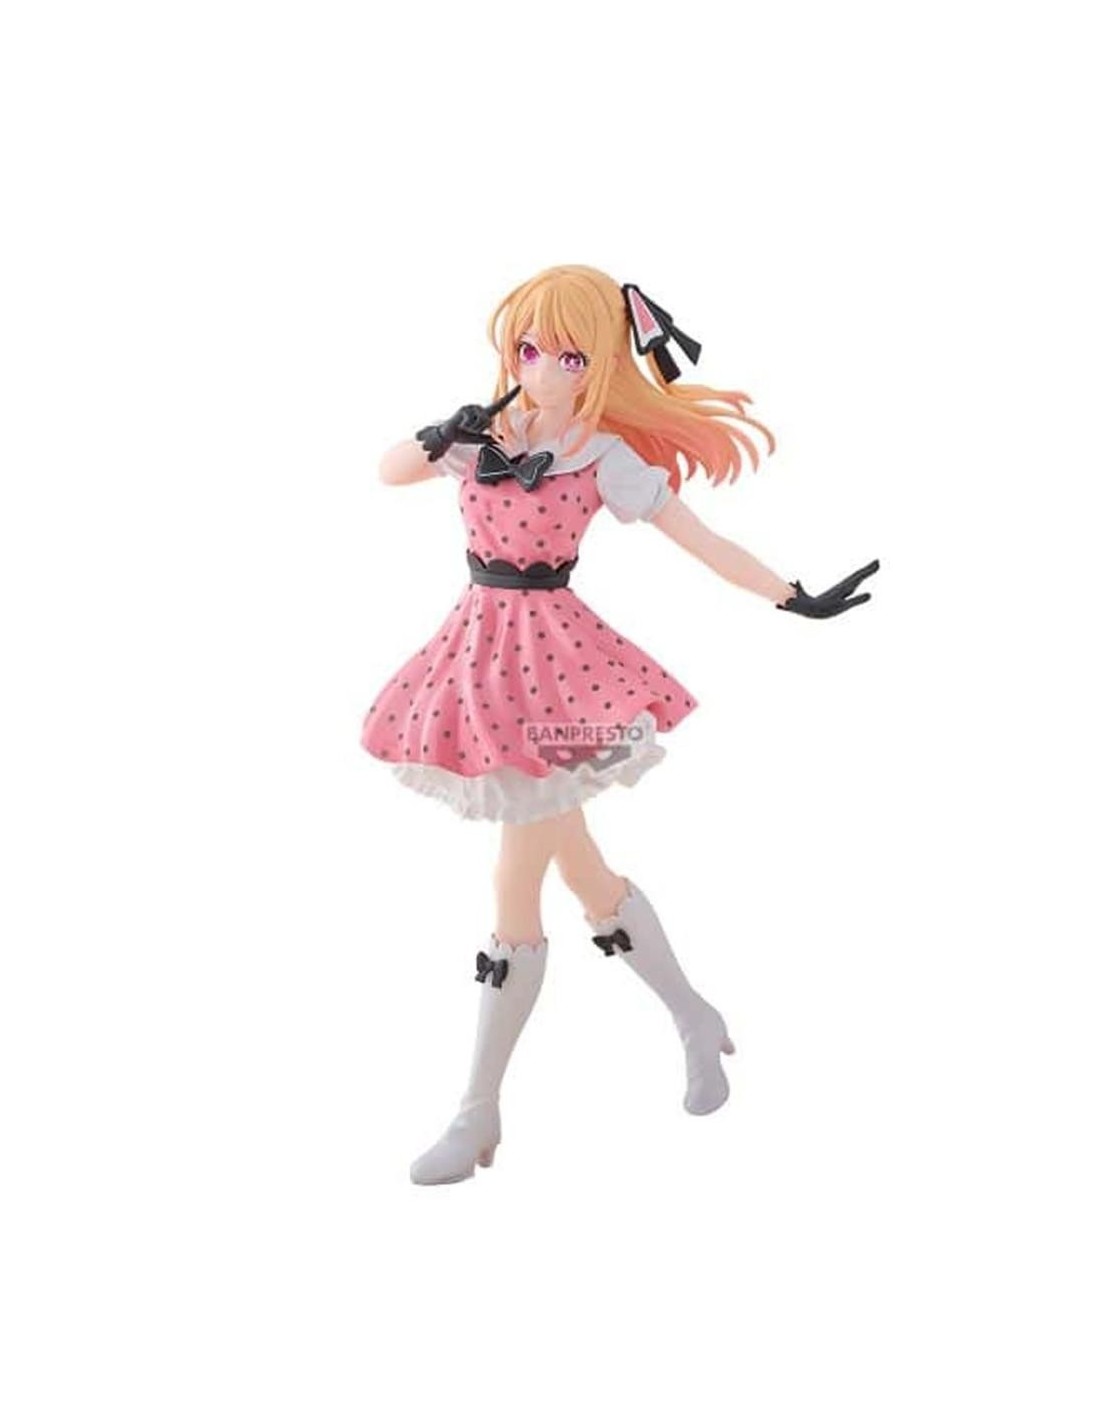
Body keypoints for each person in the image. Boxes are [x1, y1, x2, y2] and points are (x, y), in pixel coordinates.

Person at [360, 264, 878, 1185]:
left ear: (599, 362)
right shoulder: (479, 438)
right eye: (528, 348)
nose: (542, 369)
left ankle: (477, 1111)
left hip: (562, 677)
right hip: (479, 663)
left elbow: (702, 540)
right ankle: (694, 1017)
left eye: (568, 355)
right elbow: (389, 469)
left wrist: (791, 594)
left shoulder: (602, 456)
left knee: (515, 880)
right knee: (583, 871)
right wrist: (444, 430)